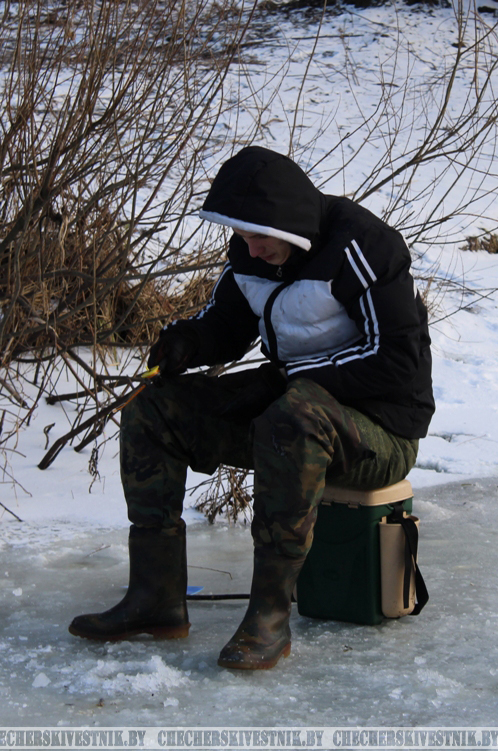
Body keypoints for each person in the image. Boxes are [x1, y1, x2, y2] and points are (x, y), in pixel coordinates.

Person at [68, 146, 434, 669]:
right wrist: (189, 341)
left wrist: (287, 379)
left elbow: (395, 360)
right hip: (290, 411)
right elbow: (227, 323)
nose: (251, 249)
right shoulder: (252, 254)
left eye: (259, 237)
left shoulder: (364, 247)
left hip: (382, 432)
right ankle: (155, 598)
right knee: (156, 408)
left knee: (295, 414)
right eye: (242, 237)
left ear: (288, 222)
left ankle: (268, 616)